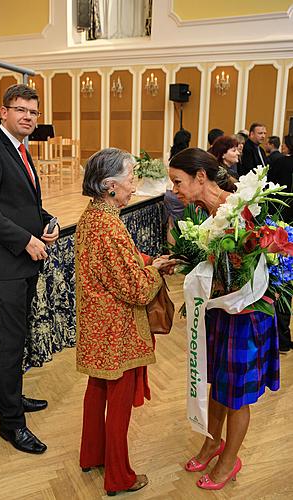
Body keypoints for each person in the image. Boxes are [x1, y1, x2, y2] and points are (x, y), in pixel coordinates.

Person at [168, 148, 280, 490]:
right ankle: (212, 442)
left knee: (236, 395)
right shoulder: (204, 213)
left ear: (200, 177)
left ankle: (230, 460)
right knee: (216, 382)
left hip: (245, 316)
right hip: (220, 314)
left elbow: (244, 269)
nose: (175, 190)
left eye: (178, 181)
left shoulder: (239, 209)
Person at [75, 147, 177, 496]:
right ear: (109, 186)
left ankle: (92, 455)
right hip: (116, 326)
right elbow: (135, 289)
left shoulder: (93, 216)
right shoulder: (109, 225)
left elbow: (115, 262)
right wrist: (153, 271)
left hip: (96, 322)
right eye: (130, 179)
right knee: (117, 402)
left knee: (97, 390)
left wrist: (146, 260)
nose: (134, 186)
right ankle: (119, 477)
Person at [0, 84, 59, 454]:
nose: (28, 118)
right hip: (3, 264)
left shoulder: (19, 149)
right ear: (3, 112)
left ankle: (11, 398)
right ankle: (11, 423)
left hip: (21, 262)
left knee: (15, 339)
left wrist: (46, 220)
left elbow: (20, 204)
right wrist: (25, 239)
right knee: (8, 344)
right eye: (20, 110)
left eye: (33, 113)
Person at [267, 134, 293, 352]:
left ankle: (280, 338)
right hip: (285, 232)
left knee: (280, 283)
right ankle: (283, 338)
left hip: (281, 228)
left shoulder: (280, 162)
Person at [165, 129, 191, 245]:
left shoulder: (168, 155)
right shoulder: (187, 156)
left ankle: (171, 254)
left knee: (171, 224)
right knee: (185, 224)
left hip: (169, 192)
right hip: (182, 192)